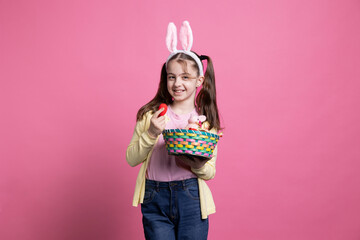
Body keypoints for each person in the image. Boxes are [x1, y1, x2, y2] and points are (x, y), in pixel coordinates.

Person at [126, 21, 221, 240]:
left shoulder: (206, 124)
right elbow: (131, 159)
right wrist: (150, 133)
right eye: (172, 76)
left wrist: (196, 165)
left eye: (185, 77)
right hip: (154, 196)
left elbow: (210, 172)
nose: (177, 83)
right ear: (166, 78)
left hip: (191, 197)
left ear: (199, 80)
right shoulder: (151, 115)